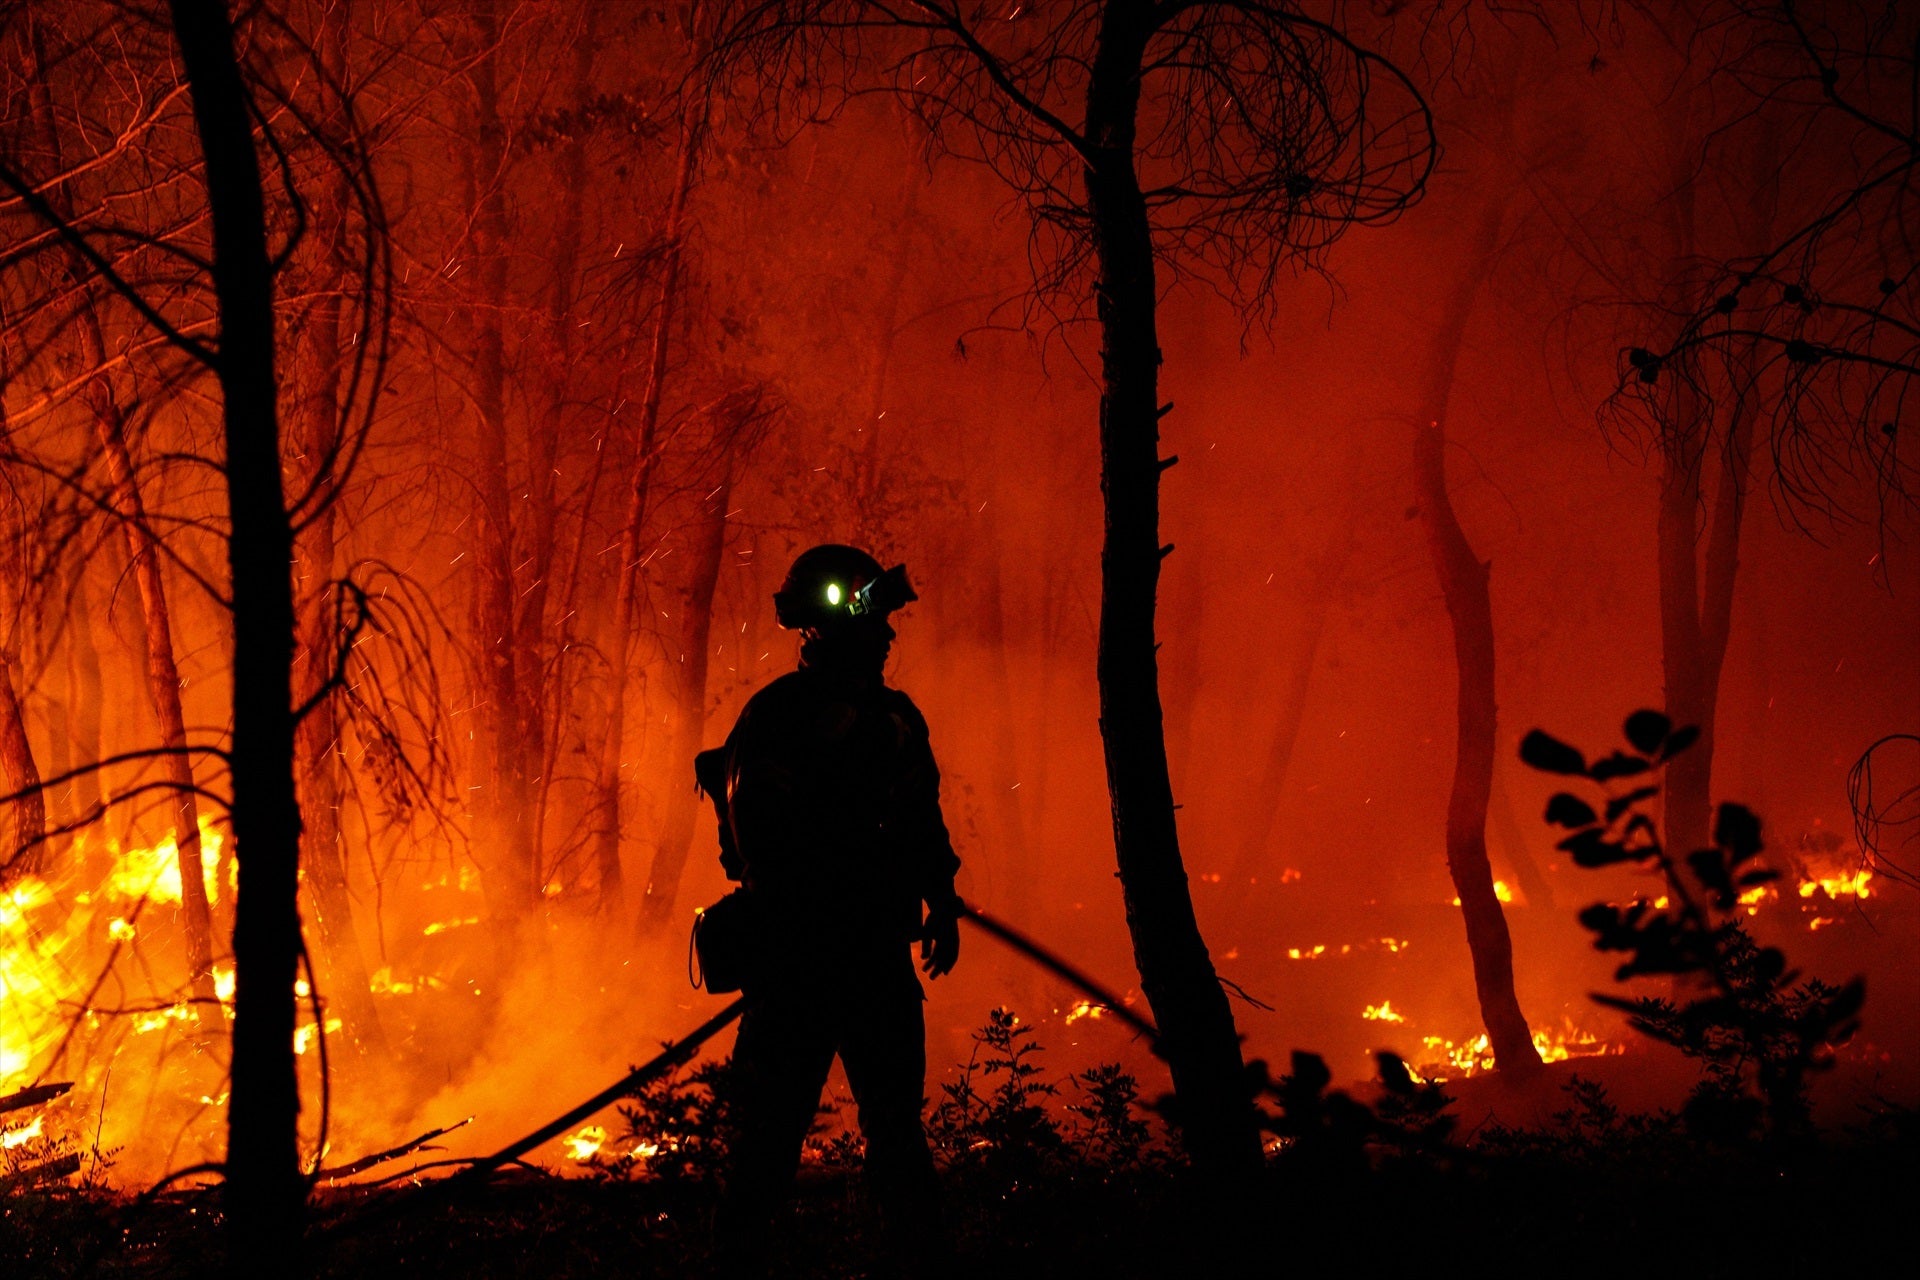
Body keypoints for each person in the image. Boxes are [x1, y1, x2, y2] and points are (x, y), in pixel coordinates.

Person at [708, 544, 962, 1274]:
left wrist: (940, 899)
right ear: (835, 627)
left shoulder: (896, 720)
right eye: (876, 622)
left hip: (876, 961)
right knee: (767, 1139)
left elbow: (923, 818)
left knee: (896, 1133)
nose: (888, 637)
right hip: (797, 967)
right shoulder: (778, 717)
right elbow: (758, 831)